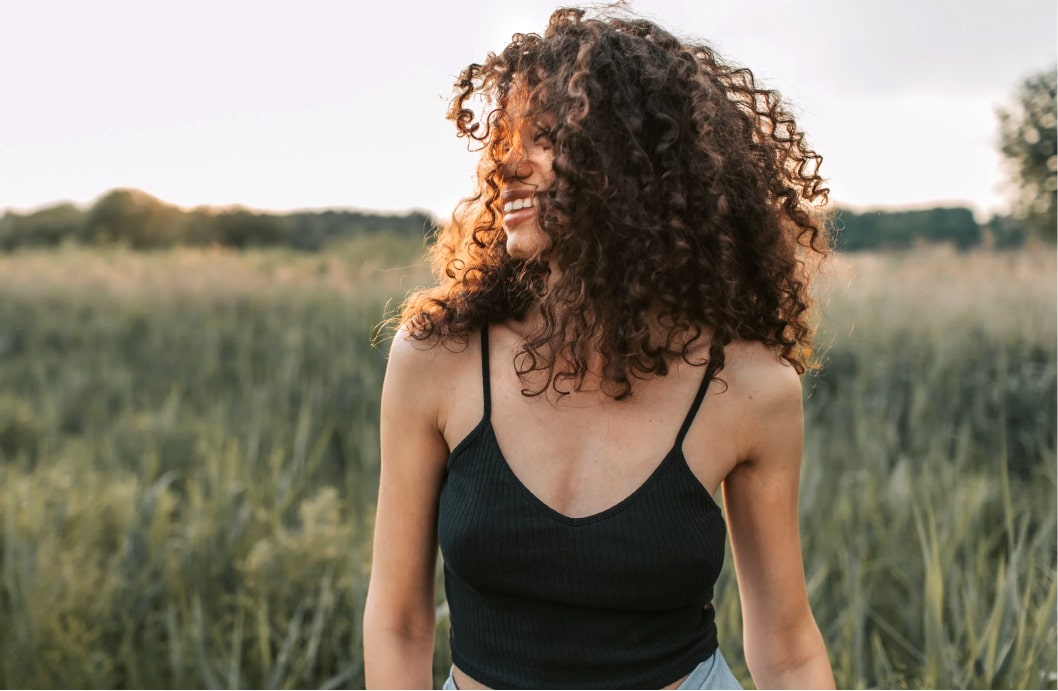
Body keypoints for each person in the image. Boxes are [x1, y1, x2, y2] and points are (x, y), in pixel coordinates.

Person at [363, 6, 835, 689]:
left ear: (634, 165)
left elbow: (788, 647)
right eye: (507, 139)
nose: (510, 165)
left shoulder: (749, 387)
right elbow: (399, 619)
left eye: (547, 136)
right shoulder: (439, 354)